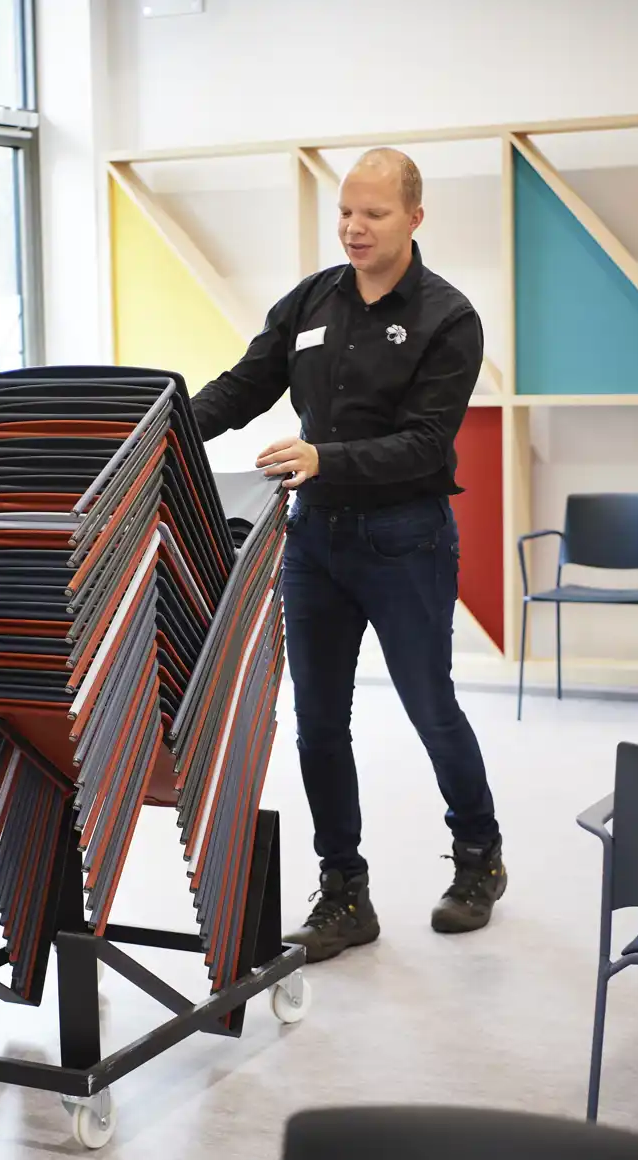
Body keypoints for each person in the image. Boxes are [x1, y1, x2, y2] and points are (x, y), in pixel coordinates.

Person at [189, 148, 504, 963]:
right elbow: (244, 384)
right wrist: (167, 427)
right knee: (319, 723)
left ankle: (478, 858)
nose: (355, 229)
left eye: (374, 214)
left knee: (430, 706)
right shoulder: (313, 301)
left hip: (406, 538)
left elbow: (427, 444)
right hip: (315, 541)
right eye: (345, 214)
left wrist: (327, 457)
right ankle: (344, 891)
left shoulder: (448, 317)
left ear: (414, 218)